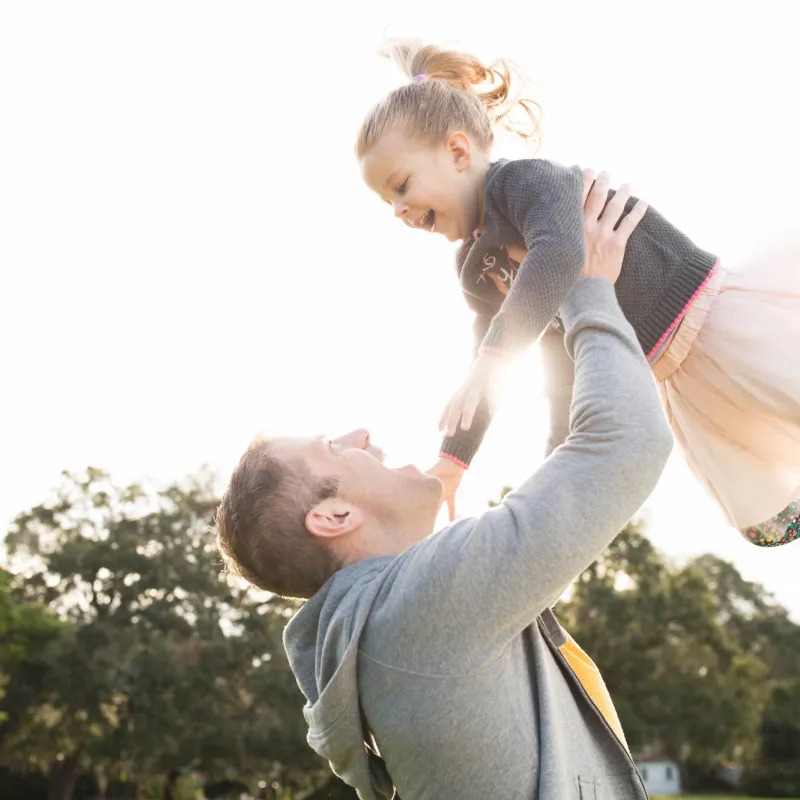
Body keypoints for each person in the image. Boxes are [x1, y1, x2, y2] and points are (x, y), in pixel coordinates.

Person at [214, 177, 673, 799]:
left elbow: (571, 479)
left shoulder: (381, 634)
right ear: (333, 515)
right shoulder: (422, 608)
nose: (360, 434)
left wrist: (557, 320)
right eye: (331, 447)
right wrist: (589, 289)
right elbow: (625, 444)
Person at [357, 39, 800, 548]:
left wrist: (496, 351)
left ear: (458, 153)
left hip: (717, 325)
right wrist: (456, 457)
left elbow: (561, 255)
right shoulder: (478, 267)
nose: (397, 211)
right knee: (767, 505)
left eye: (401, 186)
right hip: (675, 375)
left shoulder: (526, 183)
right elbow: (523, 368)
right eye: (386, 201)